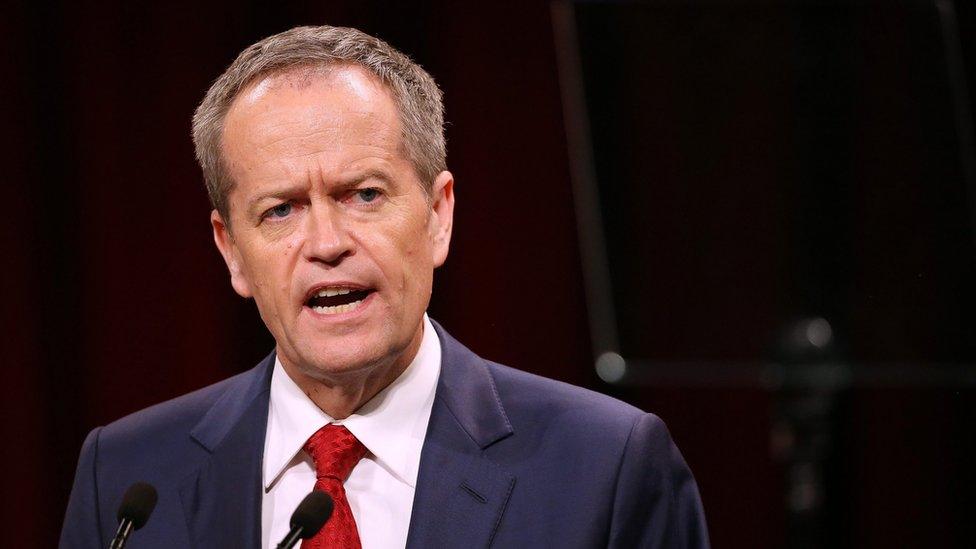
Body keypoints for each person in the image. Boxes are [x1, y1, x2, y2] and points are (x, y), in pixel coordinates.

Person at [59, 25, 709, 548]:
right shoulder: (124, 481)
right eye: (280, 209)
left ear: (438, 214)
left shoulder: (604, 466)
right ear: (231, 250)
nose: (326, 241)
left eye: (364, 194)